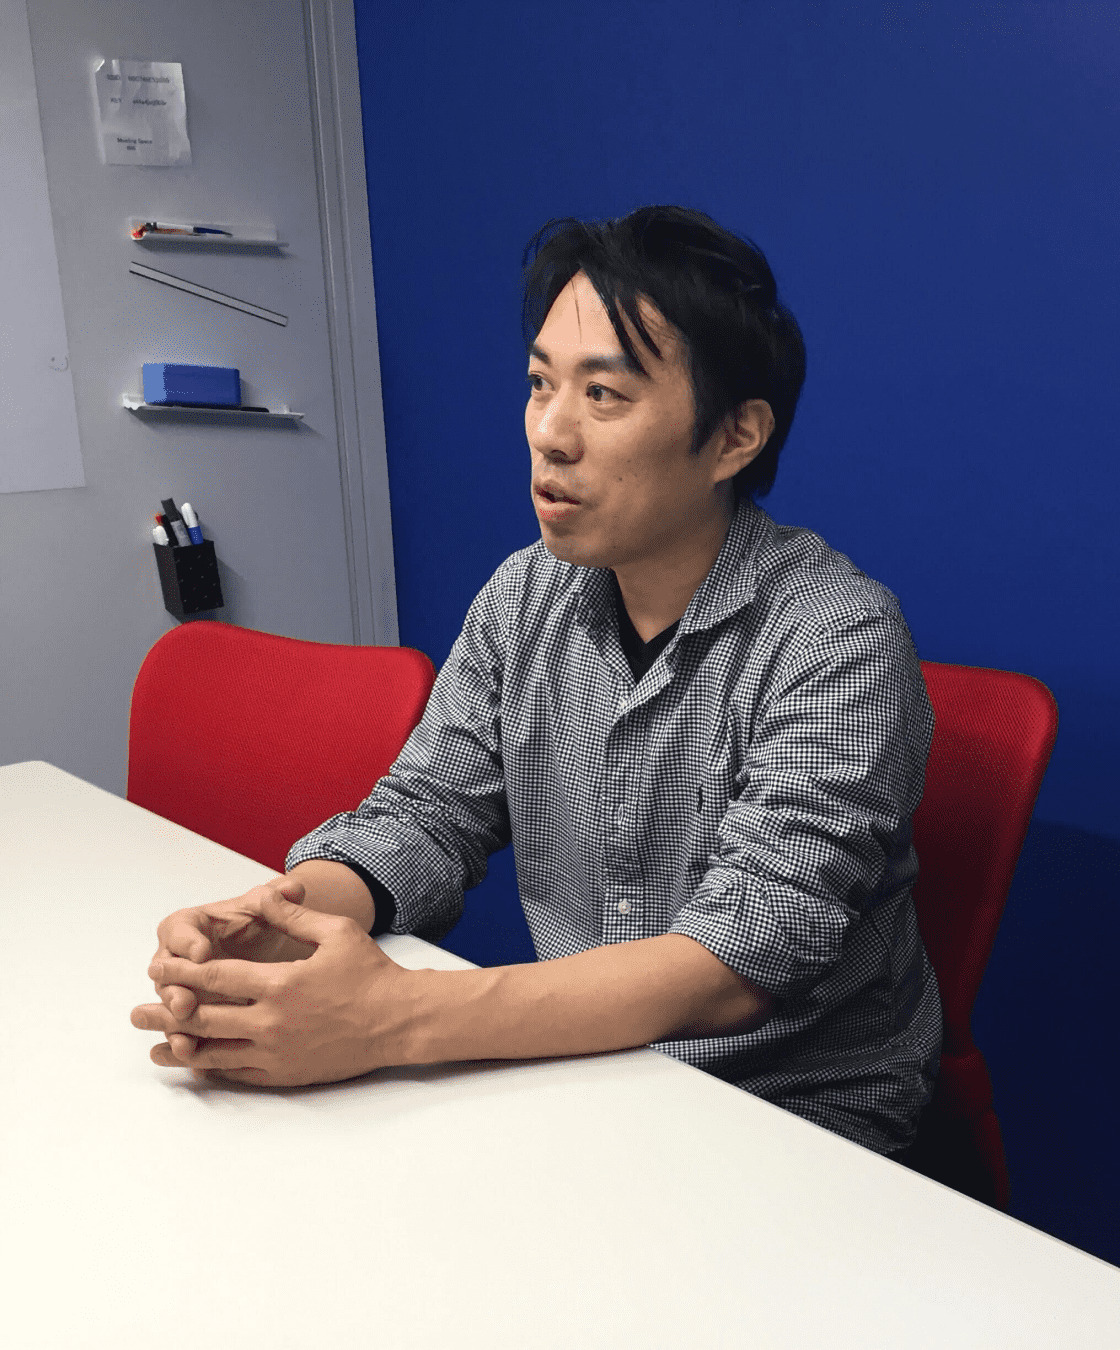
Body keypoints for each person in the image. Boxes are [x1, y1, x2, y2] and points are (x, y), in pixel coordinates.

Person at [130, 206, 943, 1156]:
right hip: (591, 1070)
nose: (550, 434)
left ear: (735, 438)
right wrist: (280, 919)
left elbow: (738, 959)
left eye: (604, 395)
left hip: (793, 1111)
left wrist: (391, 1018)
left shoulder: (835, 634)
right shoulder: (526, 596)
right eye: (538, 384)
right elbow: (427, 816)